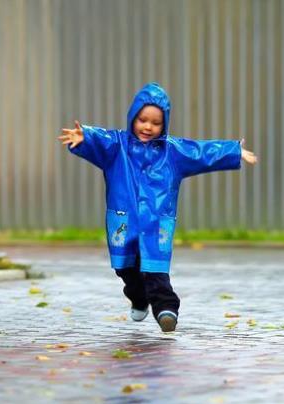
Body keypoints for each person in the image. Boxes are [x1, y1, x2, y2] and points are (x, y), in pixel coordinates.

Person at [58, 82, 257, 332]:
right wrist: (84, 137)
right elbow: (100, 139)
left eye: (155, 122)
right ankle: (139, 299)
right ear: (133, 117)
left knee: (155, 270)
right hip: (124, 222)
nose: (148, 127)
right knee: (125, 268)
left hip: (156, 225)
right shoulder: (116, 147)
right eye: (143, 120)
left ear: (164, 125)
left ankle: (167, 309)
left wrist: (233, 151)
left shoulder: (172, 152)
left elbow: (201, 152)